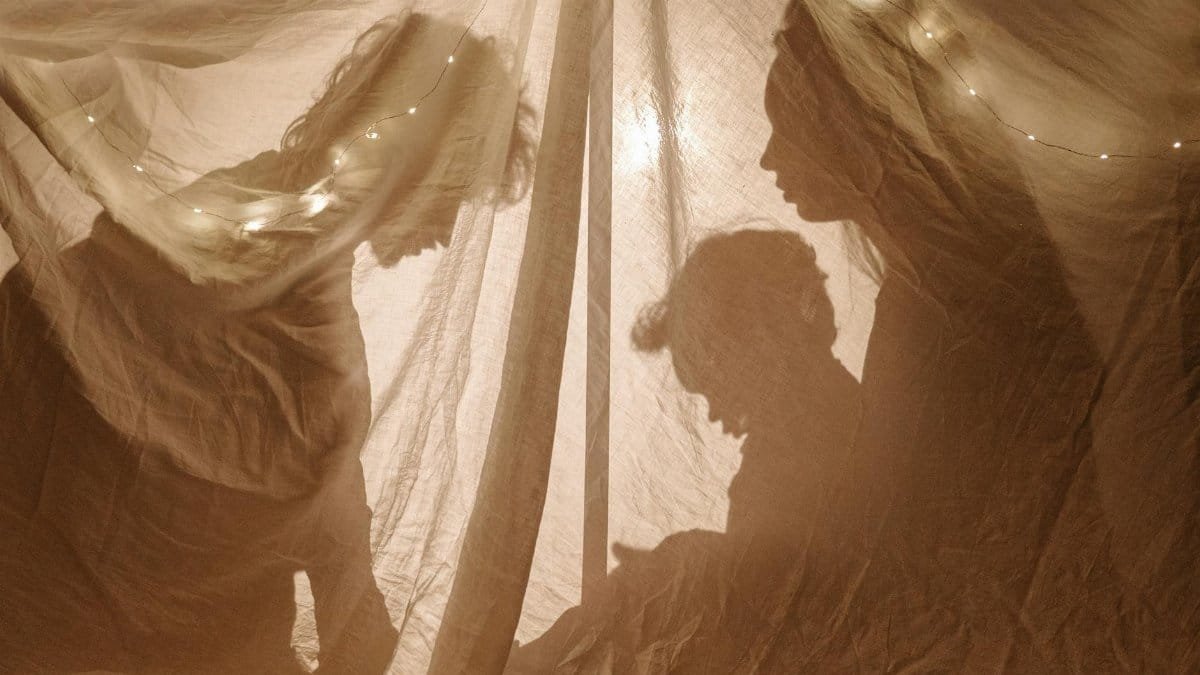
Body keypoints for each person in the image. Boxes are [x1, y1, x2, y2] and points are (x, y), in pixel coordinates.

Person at [0, 12, 532, 673]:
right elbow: (66, 318)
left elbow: (319, 475)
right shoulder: (256, 232)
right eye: (455, 190)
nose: (449, 229)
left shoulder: (283, 243)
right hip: (101, 603)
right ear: (417, 151)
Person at [757, 1, 1107, 669]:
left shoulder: (960, 294)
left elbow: (936, 521)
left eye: (787, 127)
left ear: (847, 130)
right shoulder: (919, 285)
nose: (768, 158)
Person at [508, 229, 862, 672]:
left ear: (754, 345)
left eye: (713, 383)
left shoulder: (813, 436)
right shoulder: (817, 418)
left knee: (664, 573)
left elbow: (780, 597)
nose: (714, 413)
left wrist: (678, 571)